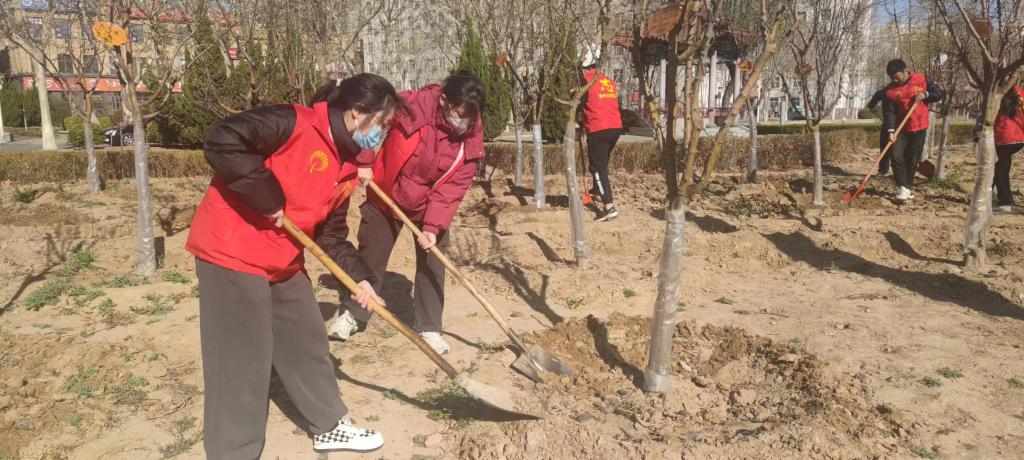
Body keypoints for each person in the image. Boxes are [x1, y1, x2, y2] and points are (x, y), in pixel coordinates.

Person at [185, 74, 402, 458]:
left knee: (307, 339)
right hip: (232, 252)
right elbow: (222, 138)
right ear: (357, 112)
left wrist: (361, 279)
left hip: (282, 259)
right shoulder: (294, 122)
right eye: (381, 124)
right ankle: (234, 452)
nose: (381, 135)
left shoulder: (346, 167)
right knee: (242, 359)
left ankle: (329, 426)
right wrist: (265, 194)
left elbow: (331, 236)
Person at [326, 71, 485, 355]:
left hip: (429, 206)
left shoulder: (470, 140)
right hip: (386, 196)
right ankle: (355, 313)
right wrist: (364, 162)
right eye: (458, 114)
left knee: (433, 263)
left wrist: (432, 227)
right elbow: (370, 123)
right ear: (444, 101)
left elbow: (453, 188)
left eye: (468, 117)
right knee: (371, 255)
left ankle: (429, 327)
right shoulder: (412, 105)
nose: (461, 122)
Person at [881, 59, 944, 201]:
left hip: (920, 127)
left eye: (897, 77)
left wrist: (926, 95)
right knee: (896, 156)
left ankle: (907, 188)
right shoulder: (890, 91)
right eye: (892, 78)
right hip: (901, 129)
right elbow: (889, 113)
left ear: (906, 71)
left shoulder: (922, 79)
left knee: (913, 159)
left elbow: (939, 93)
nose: (895, 80)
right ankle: (903, 187)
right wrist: (890, 131)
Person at [579, 47, 623, 221]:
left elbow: (579, 102)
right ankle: (598, 190)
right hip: (615, 127)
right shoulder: (609, 81)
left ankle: (608, 206)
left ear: (585, 66)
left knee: (598, 168)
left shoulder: (586, 81)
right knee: (600, 164)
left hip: (598, 128)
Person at [994, 84, 1024, 213]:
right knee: (1001, 169)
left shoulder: (997, 92)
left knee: (1000, 171)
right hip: (1019, 137)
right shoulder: (1020, 92)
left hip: (1004, 136)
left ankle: (1004, 203)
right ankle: (1007, 200)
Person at [865, 88, 891, 175]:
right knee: (884, 146)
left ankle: (899, 173)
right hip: (887, 123)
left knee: (898, 150)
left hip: (901, 123)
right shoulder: (886, 91)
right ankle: (883, 170)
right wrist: (879, 114)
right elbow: (871, 104)